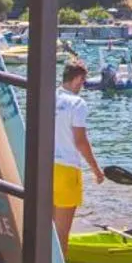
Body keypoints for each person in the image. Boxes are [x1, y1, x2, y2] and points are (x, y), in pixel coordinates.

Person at [53, 61, 106, 243]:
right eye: (83, 81)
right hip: (67, 169)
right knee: (61, 233)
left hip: (44, 166)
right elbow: (80, 141)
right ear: (77, 79)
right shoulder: (77, 103)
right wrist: (96, 170)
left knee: (47, 229)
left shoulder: (47, 97)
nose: (83, 86)